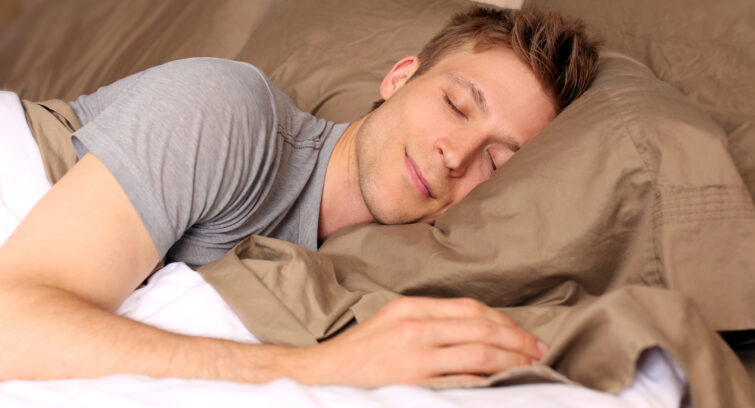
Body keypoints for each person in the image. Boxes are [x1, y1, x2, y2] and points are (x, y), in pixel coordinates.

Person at [0, 6, 599, 386]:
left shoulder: (367, 272)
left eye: (495, 163)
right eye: (456, 105)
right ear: (399, 79)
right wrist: (314, 370)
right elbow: (11, 325)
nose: (456, 153)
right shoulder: (228, 110)